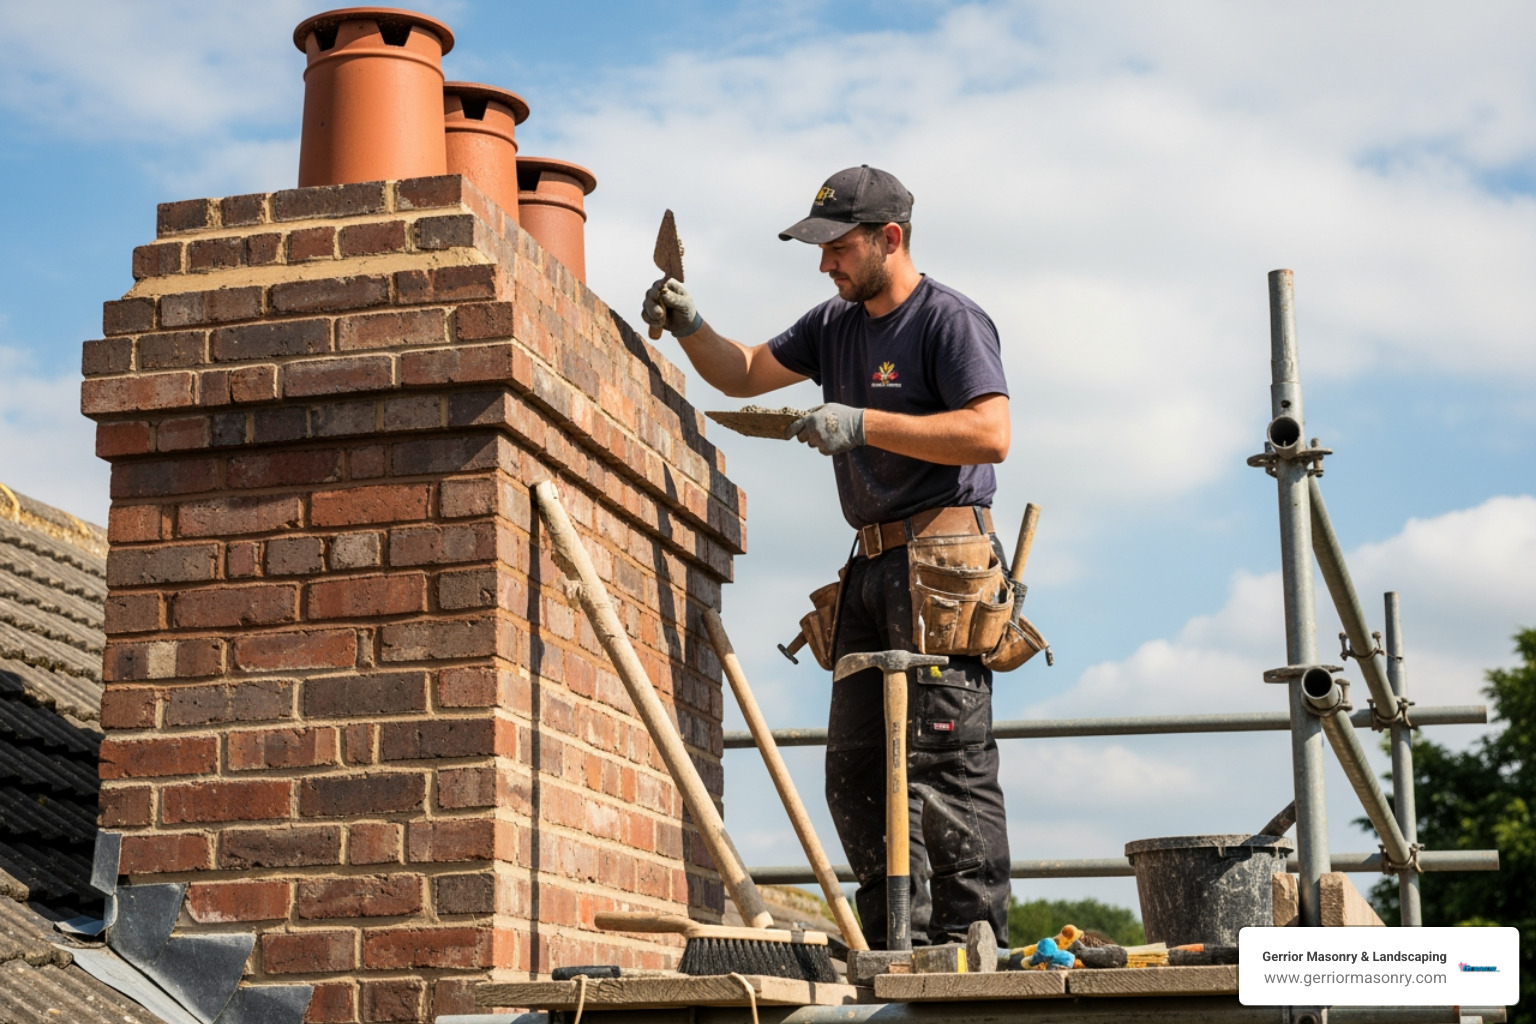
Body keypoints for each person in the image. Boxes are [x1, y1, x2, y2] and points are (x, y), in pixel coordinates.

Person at [642, 165, 1013, 949]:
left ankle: (973, 950)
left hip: (944, 565)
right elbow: (743, 374)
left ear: (890, 239)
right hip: (872, 569)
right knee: (856, 773)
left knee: (944, 765)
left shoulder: (950, 321)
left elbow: (990, 434)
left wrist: (865, 423)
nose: (825, 264)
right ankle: (894, 949)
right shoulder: (833, 325)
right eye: (819, 249)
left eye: (837, 248)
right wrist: (689, 321)